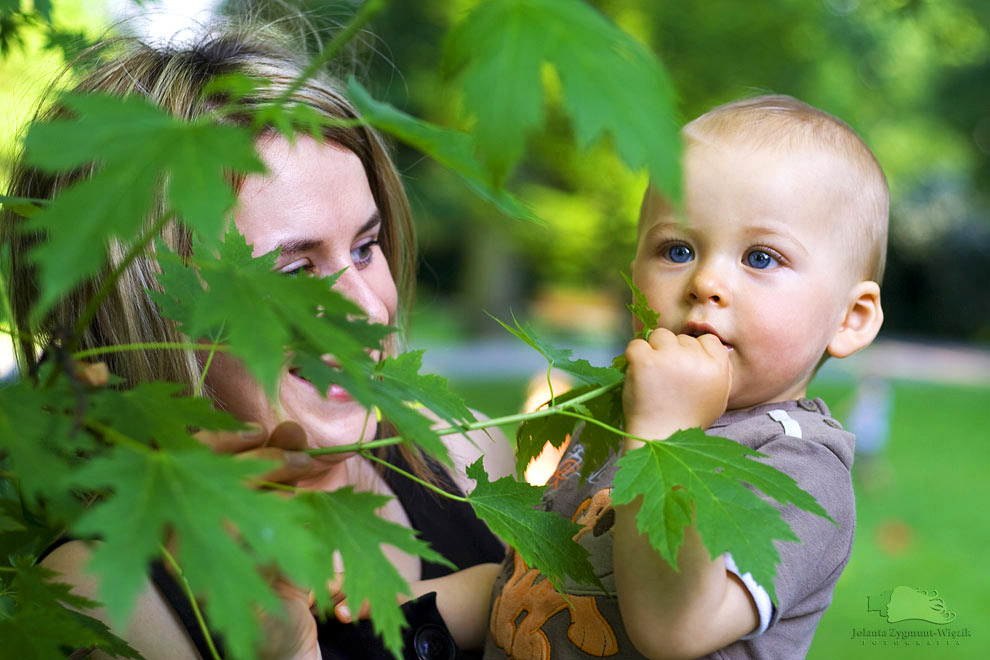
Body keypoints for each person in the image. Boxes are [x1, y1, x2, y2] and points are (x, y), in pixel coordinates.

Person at [2, 25, 514, 660]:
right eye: (294, 273)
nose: (364, 308)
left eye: (364, 248)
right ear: (151, 317)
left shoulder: (464, 456)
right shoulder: (107, 601)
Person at [392, 94, 885, 660]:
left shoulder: (799, 468)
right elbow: (522, 584)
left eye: (761, 258)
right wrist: (385, 604)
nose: (705, 282)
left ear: (851, 319)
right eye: (677, 249)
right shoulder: (619, 416)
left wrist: (666, 438)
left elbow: (675, 628)